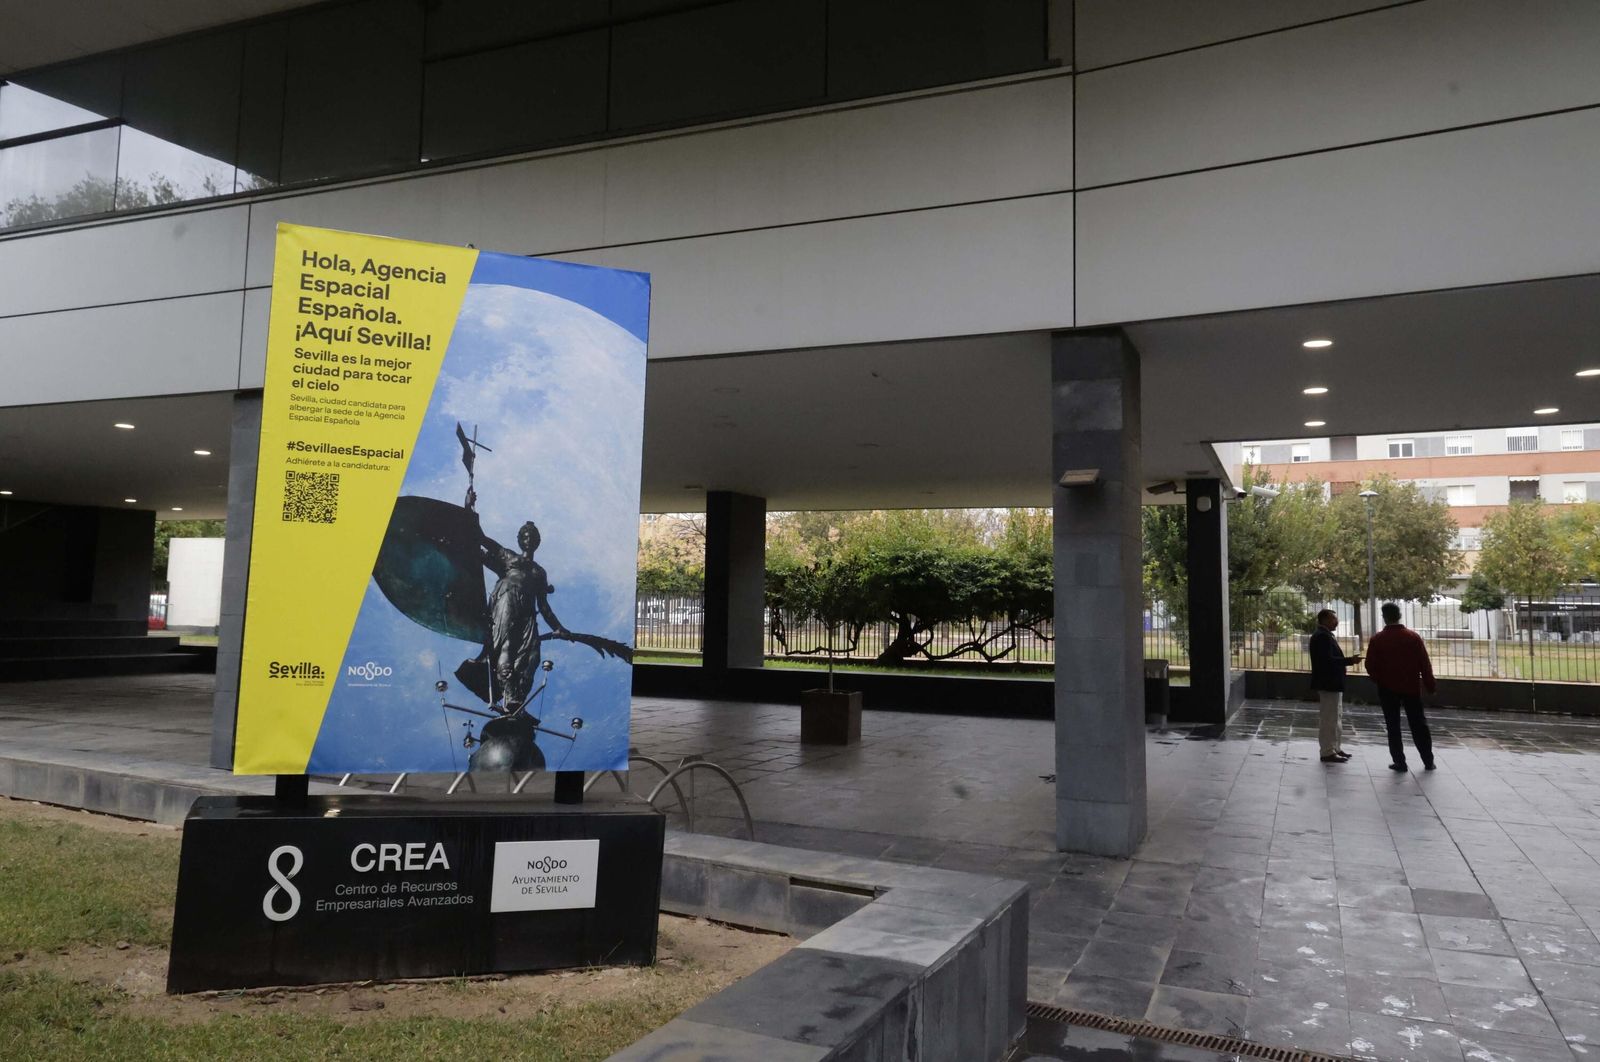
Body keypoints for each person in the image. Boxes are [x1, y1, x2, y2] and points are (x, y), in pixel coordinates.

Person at [1363, 602, 1437, 772]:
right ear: (1399, 616)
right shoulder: (1413, 637)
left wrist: (1379, 680)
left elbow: (1370, 665)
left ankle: (1400, 761)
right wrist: (1430, 685)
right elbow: (1424, 664)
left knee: (1393, 725)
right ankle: (1428, 760)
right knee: (1418, 724)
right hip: (1411, 687)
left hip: (1387, 689)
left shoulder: (1377, 639)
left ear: (1384, 617)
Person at [1308, 609, 1360, 763]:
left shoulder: (1325, 635)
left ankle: (1335, 748)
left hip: (1332, 683)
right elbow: (1328, 660)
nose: (1336, 622)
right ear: (1324, 620)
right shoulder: (1322, 637)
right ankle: (1327, 751)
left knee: (1336, 716)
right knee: (1329, 718)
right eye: (1333, 619)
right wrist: (1349, 660)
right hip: (1328, 682)